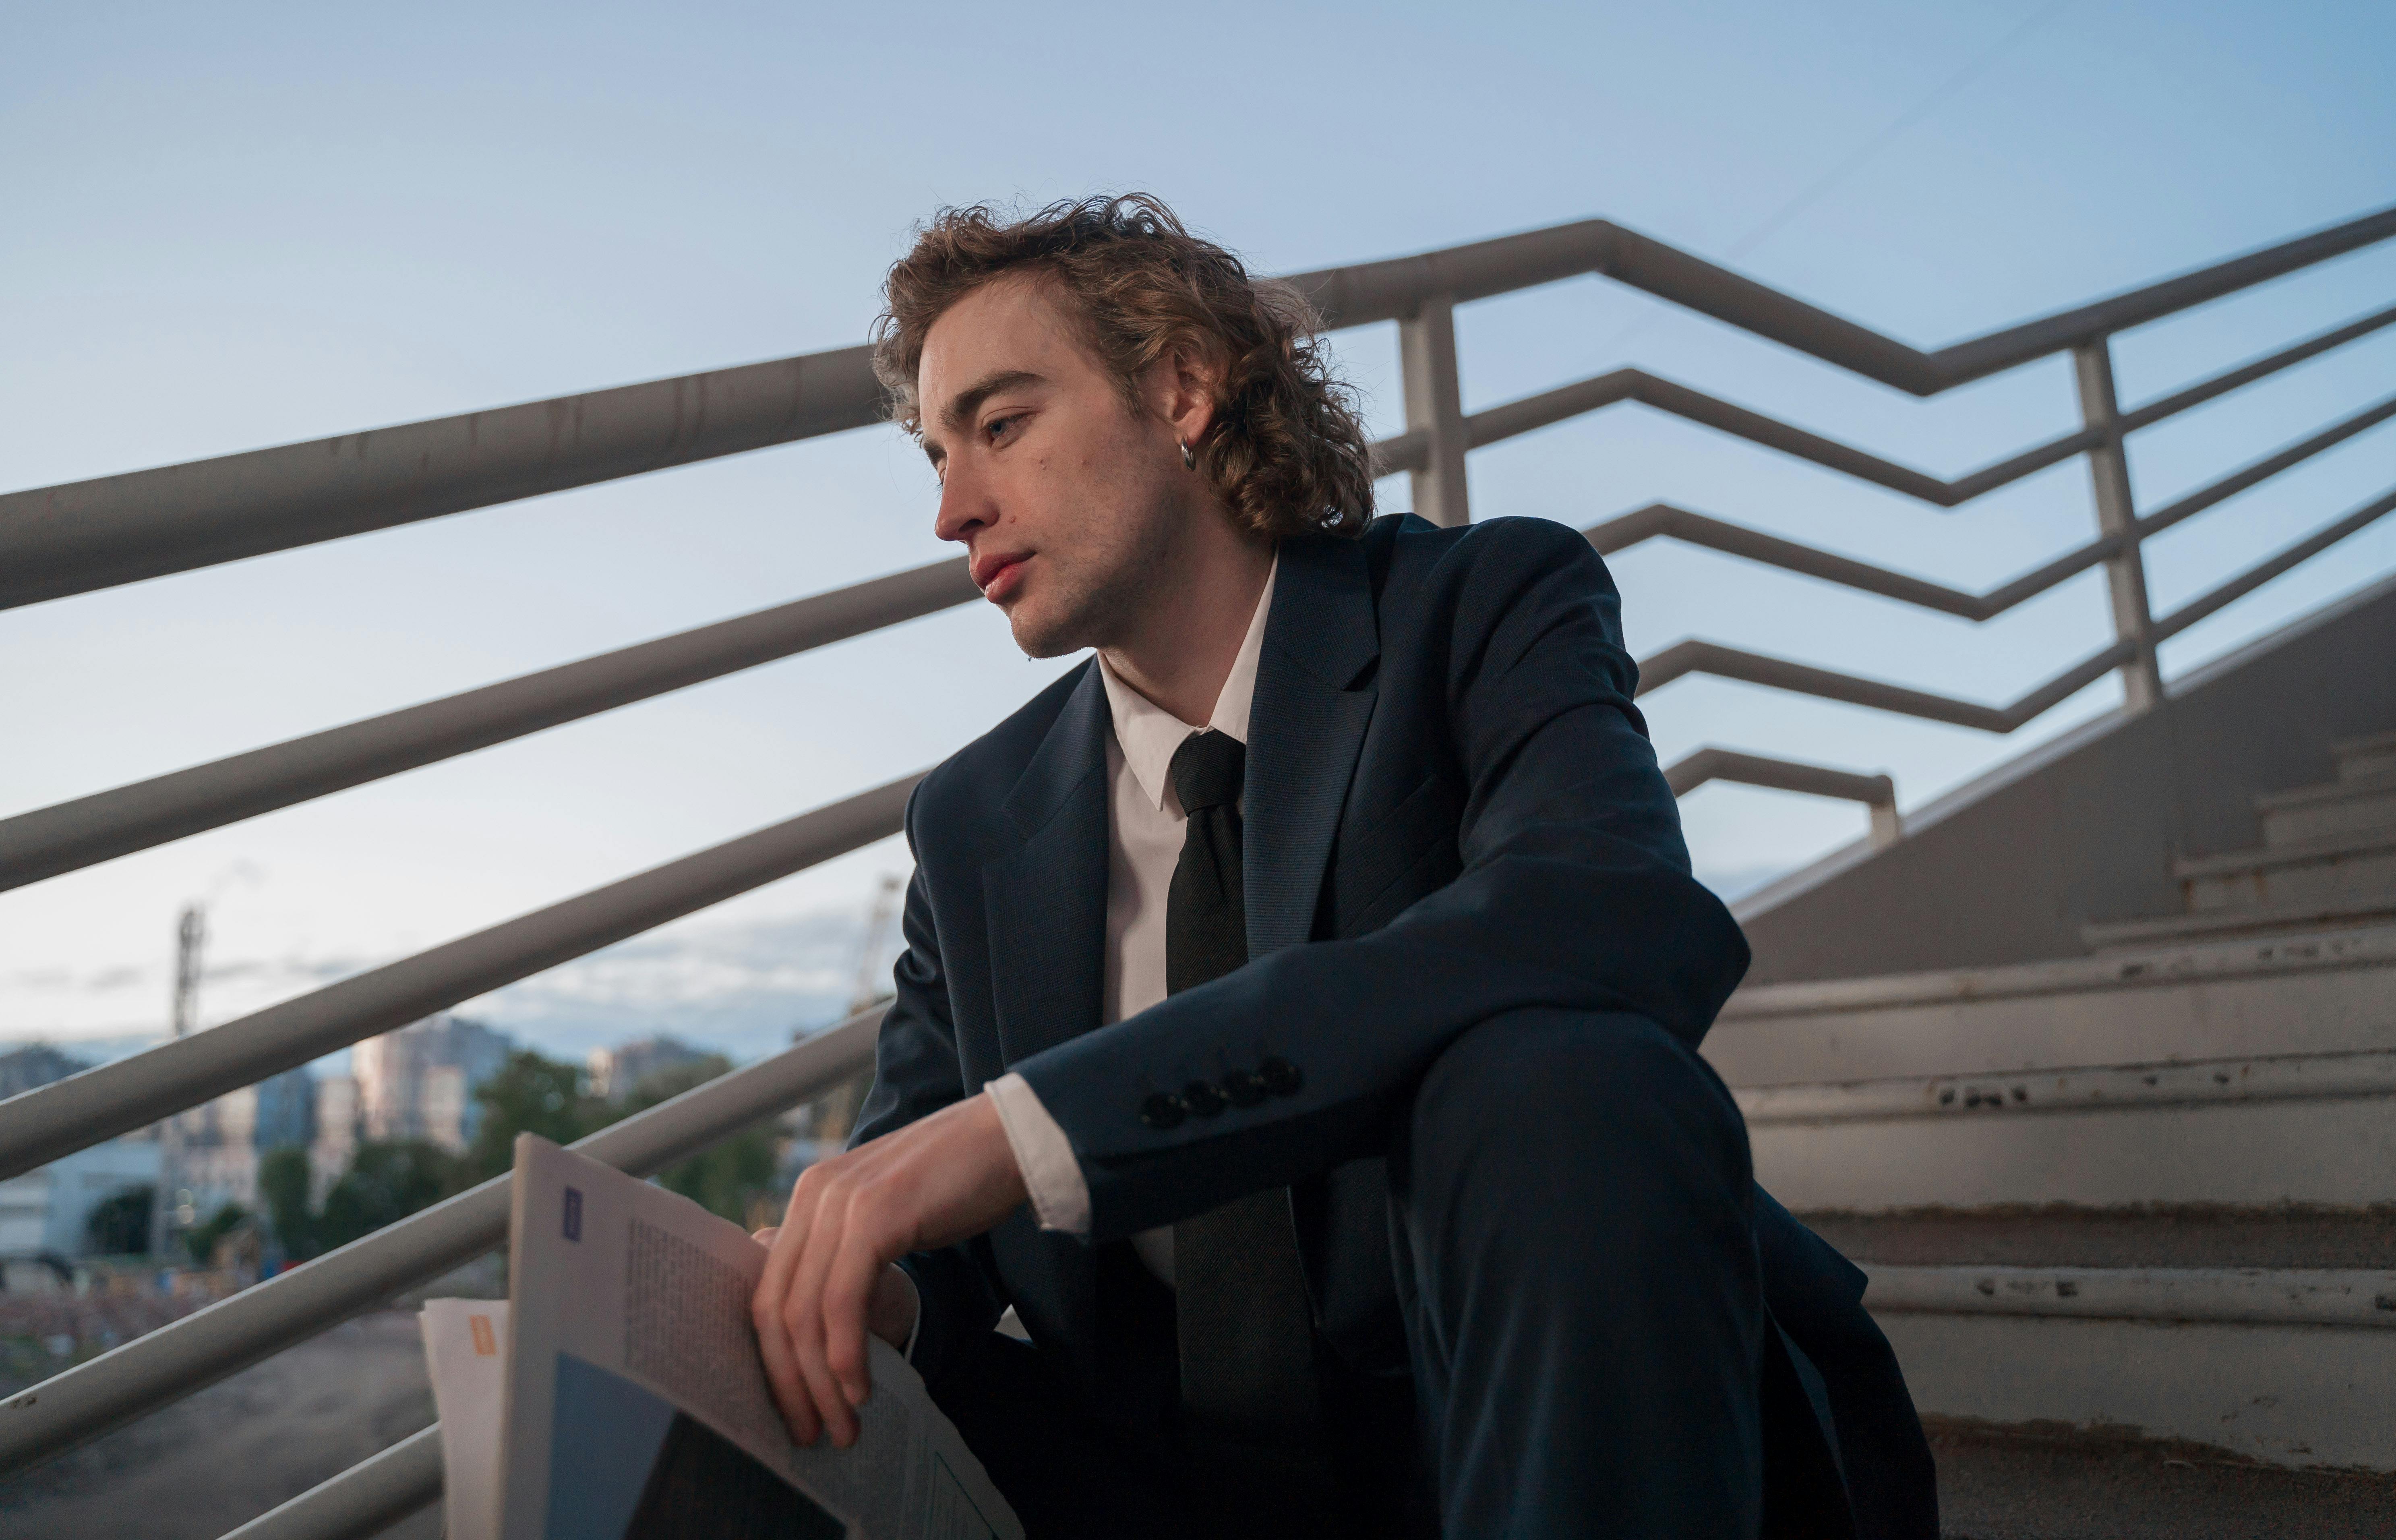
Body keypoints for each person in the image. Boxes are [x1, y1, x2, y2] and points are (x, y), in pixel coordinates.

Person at [750, 195, 1936, 1540]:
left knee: (1567, 1077)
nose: (955, 509)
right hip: (1162, 1488)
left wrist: (1040, 1122)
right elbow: (932, 1232)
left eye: (1003, 424)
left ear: (1184, 388)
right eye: (936, 456)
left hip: (1510, 1440)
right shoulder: (973, 817)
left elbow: (1610, 916)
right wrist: (852, 1291)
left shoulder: (1482, 606)